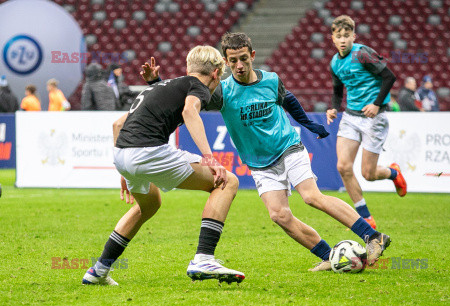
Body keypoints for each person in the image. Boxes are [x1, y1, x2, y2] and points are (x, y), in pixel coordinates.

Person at [143, 32, 391, 271]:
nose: (239, 65)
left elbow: (289, 99)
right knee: (279, 215)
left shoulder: (271, 80)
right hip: (259, 163)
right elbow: (185, 103)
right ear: (226, 63)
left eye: (243, 58)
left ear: (252, 55)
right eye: (233, 61)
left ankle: (373, 237)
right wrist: (156, 82)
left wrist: (308, 124)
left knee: (311, 197)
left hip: (288, 148)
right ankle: (329, 256)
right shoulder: (221, 92)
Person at [82, 46, 245, 286]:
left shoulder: (163, 86)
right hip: (148, 152)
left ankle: (98, 270)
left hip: (122, 154)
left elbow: (118, 124)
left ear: (189, 68)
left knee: (149, 205)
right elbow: (190, 110)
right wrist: (209, 157)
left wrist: (124, 171)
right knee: (227, 181)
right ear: (216, 73)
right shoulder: (198, 87)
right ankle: (203, 258)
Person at [326, 15, 407, 230]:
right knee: (343, 167)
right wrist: (333, 107)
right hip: (351, 118)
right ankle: (366, 217)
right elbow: (337, 91)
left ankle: (394, 173)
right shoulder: (334, 62)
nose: (342, 40)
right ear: (332, 38)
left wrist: (376, 104)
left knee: (368, 174)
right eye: (338, 36)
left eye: (346, 36)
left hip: (374, 118)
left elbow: (389, 77)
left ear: (354, 36)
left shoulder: (362, 54)